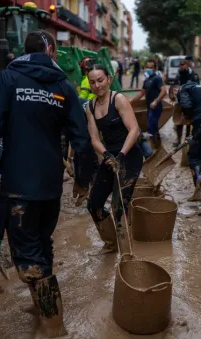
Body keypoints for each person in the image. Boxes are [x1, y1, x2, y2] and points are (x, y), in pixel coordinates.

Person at [0, 30, 94, 338]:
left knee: (27, 255)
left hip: (18, 186)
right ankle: (41, 304)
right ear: (51, 50)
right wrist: (82, 180)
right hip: (50, 185)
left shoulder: (10, 79)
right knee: (42, 244)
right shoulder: (64, 85)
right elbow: (82, 139)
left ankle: (53, 326)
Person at [85, 64, 142, 256]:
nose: (97, 85)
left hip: (129, 155)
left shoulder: (118, 99)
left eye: (100, 80)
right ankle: (111, 244)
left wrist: (121, 155)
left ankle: (127, 255)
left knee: (119, 207)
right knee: (94, 204)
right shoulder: (90, 107)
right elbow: (94, 138)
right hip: (110, 158)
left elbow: (134, 130)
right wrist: (107, 155)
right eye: (93, 82)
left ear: (108, 79)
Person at [129, 59, 166, 148]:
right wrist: (131, 101)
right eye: (148, 67)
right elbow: (142, 92)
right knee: (153, 127)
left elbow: (164, 91)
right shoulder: (147, 79)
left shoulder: (157, 78)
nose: (149, 69)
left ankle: (152, 147)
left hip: (156, 106)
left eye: (151, 67)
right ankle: (157, 145)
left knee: (150, 126)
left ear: (155, 68)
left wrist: (156, 101)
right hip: (149, 107)